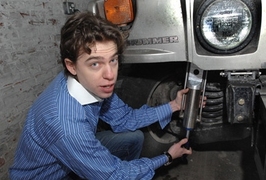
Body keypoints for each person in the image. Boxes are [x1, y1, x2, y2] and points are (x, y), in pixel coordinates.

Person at [9, 12, 192, 180]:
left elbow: (126, 119)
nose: (110, 75)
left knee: (134, 137)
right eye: (95, 64)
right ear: (71, 66)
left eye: (113, 60)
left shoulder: (87, 82)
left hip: (68, 157)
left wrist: (174, 105)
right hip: (48, 176)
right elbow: (115, 174)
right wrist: (167, 157)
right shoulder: (66, 125)